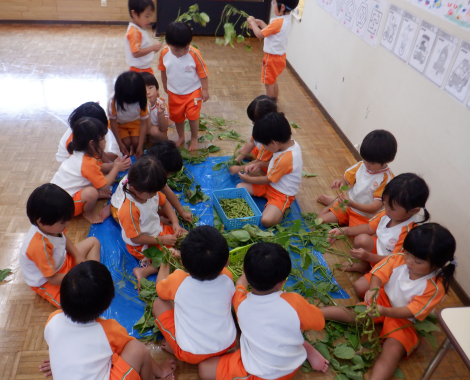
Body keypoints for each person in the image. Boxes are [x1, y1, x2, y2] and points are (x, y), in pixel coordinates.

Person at [321, 223, 457, 380]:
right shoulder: (399, 259)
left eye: (418, 262)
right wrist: (373, 289)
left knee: (393, 349)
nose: (408, 262)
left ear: (438, 264)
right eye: (407, 253)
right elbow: (379, 273)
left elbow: (412, 310)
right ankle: (314, 312)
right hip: (383, 299)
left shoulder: (436, 286)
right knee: (355, 313)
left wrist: (385, 311)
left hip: (404, 319)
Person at [198, 242, 328, 380]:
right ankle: (304, 346)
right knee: (291, 325)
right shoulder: (294, 301)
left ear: (244, 270)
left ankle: (303, 346)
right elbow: (319, 322)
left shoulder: (240, 303)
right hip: (292, 365)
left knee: (204, 369)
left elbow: (240, 286)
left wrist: (242, 282)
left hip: (260, 374)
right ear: (282, 282)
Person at [40, 261, 177, 380]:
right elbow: (135, 351)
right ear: (107, 304)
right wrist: (159, 370)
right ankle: (158, 375)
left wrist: (62, 364)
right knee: (138, 350)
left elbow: (61, 342)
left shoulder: (53, 319)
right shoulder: (108, 330)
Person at [329, 173, 430, 295]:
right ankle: (364, 266)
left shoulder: (411, 231)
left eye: (392, 207)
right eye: (384, 203)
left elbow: (395, 261)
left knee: (359, 288)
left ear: (413, 210)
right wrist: (344, 230)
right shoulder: (388, 213)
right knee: (361, 239)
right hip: (380, 254)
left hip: (391, 266)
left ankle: (383, 287)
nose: (386, 209)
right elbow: (368, 227)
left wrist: (367, 256)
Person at [152, 226, 236, 364]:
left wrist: (165, 261)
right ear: (227, 262)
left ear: (183, 263)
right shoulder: (228, 277)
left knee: (158, 303)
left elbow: (160, 288)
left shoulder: (178, 280)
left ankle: (176, 349)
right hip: (228, 344)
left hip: (190, 353)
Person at [19, 184, 101, 308]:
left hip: (62, 262)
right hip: (48, 281)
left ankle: (92, 275)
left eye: (68, 219)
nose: (67, 224)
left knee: (94, 241)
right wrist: (79, 277)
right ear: (40, 221)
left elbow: (63, 238)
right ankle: (88, 279)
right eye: (63, 222)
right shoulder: (38, 246)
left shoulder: (51, 227)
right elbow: (52, 278)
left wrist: (77, 255)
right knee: (77, 306)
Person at [116, 156, 184, 287]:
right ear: (135, 189)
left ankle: (166, 245)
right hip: (142, 244)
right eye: (152, 193)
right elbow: (135, 238)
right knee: (169, 259)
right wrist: (161, 240)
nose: (155, 195)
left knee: (184, 236)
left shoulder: (148, 190)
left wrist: (175, 223)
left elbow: (165, 203)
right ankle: (143, 271)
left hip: (157, 229)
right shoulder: (128, 210)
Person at [51, 117, 131, 224]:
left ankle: (94, 195)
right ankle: (88, 213)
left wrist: (113, 166)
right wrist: (116, 168)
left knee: (95, 183)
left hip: (60, 196)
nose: (105, 141)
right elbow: (104, 185)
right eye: (103, 138)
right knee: (91, 193)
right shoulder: (87, 163)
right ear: (92, 144)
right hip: (65, 208)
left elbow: (98, 168)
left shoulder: (82, 154)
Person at [318, 129, 397, 226]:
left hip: (365, 216)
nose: (367, 164)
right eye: (364, 160)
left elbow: (375, 207)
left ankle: (334, 202)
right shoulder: (361, 165)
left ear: (389, 160)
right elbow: (346, 180)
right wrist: (340, 182)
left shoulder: (387, 179)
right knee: (320, 220)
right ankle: (334, 202)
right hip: (347, 207)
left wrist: (352, 204)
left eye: (371, 163)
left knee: (360, 239)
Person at [237, 112, 302, 227]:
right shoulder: (284, 144)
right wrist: (258, 164)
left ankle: (281, 210)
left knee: (266, 221)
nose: (263, 147)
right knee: (240, 188)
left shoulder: (286, 158)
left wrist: (248, 179)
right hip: (270, 186)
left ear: (273, 142)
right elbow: (274, 165)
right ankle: (269, 201)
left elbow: (268, 179)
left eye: (264, 144)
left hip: (281, 193)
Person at [110, 140, 192, 227]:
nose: (168, 176)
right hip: (120, 213)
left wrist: (182, 212)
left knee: (159, 205)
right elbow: (137, 236)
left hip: (126, 199)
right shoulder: (145, 181)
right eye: (168, 173)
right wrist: (158, 220)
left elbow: (168, 193)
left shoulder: (149, 172)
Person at [159, 22, 209, 151]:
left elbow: (203, 73)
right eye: (177, 49)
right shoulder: (164, 53)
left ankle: (193, 137)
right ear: (169, 44)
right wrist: (165, 84)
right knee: (177, 117)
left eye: (185, 48)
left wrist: (205, 89)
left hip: (193, 92)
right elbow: (163, 70)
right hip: (174, 92)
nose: (182, 53)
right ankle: (181, 137)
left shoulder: (194, 53)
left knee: (193, 116)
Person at [247, 0, 299, 99]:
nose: (273, 5)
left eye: (273, 3)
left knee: (268, 84)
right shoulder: (287, 19)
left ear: (282, 7)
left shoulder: (278, 22)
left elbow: (259, 35)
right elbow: (272, 32)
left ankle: (269, 105)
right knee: (273, 80)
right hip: (280, 57)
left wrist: (253, 23)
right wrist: (261, 23)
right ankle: (274, 100)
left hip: (271, 59)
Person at [55, 102, 121, 173]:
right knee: (105, 171)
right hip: (74, 167)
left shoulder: (84, 131)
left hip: (85, 157)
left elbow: (99, 151)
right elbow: (89, 165)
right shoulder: (74, 138)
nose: (104, 141)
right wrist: (113, 168)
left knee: (114, 157)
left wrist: (110, 163)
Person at [230, 95, 278, 175]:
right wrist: (239, 158)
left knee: (253, 172)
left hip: (266, 161)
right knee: (241, 151)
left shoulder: (270, 138)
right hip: (260, 154)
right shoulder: (260, 127)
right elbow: (252, 142)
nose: (252, 123)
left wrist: (239, 168)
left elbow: (260, 162)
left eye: (255, 120)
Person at [108, 71, 149, 158]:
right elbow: (113, 123)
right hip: (120, 124)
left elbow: (143, 123)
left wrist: (140, 146)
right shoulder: (113, 101)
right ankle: (126, 155)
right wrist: (120, 144)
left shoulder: (142, 100)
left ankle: (135, 151)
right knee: (126, 143)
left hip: (136, 122)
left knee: (136, 142)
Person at [125, 0, 161, 74]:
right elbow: (136, 53)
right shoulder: (134, 31)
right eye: (146, 16)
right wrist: (152, 48)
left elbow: (142, 46)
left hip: (143, 68)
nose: (150, 20)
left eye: (151, 16)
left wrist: (153, 50)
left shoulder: (139, 27)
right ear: (134, 13)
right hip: (139, 70)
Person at [140, 72, 170, 142]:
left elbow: (163, 128)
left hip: (158, 134)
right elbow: (144, 130)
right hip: (144, 132)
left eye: (150, 88)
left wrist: (161, 113)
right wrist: (147, 111)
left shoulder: (161, 104)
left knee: (153, 131)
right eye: (142, 89)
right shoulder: (137, 106)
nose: (147, 92)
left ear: (157, 90)